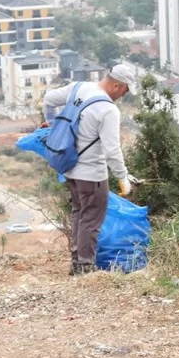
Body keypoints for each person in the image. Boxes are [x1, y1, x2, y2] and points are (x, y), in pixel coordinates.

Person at [41, 63, 139, 276]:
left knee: (79, 214)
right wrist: (123, 178)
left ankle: (77, 263)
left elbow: (48, 99)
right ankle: (85, 269)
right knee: (91, 220)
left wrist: (51, 124)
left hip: (69, 169)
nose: (125, 94)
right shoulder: (108, 109)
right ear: (116, 85)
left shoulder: (79, 88)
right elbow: (113, 150)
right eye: (126, 89)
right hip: (92, 174)